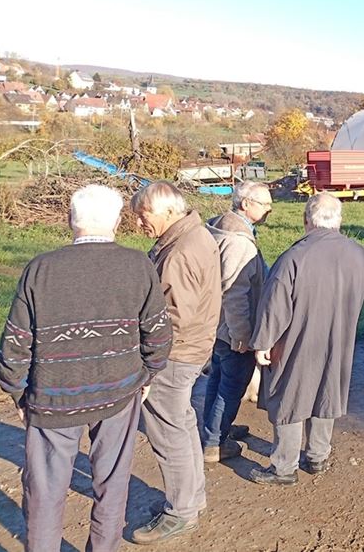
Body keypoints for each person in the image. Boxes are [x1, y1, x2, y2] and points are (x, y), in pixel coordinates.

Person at [0, 185, 172, 552]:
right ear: (117, 221)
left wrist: (17, 391)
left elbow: (14, 344)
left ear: (69, 220)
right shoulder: (138, 265)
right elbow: (158, 334)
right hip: (119, 393)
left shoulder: (40, 269)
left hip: (52, 397)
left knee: (44, 494)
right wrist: (148, 375)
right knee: (112, 485)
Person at [247, 194, 364, 484]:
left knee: (290, 395)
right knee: (327, 391)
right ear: (339, 221)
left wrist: (263, 343)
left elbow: (275, 304)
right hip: (339, 337)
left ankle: (284, 467)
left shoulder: (295, 257)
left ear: (306, 220)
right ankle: (318, 456)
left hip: (298, 339)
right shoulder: (359, 254)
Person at [130, 181, 221, 544]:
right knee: (181, 427)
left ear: (168, 210)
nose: (139, 224)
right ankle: (191, 500)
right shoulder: (194, 236)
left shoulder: (180, 251)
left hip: (174, 356)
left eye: (143, 215)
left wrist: (149, 364)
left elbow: (171, 318)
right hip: (191, 349)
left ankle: (180, 511)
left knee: (168, 434)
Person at [201, 181, 272, 463]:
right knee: (231, 385)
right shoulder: (238, 241)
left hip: (214, 322)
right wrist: (240, 334)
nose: (270, 209)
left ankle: (216, 430)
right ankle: (214, 443)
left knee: (218, 377)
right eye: (264, 204)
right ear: (245, 204)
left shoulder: (218, 227)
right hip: (230, 328)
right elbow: (234, 292)